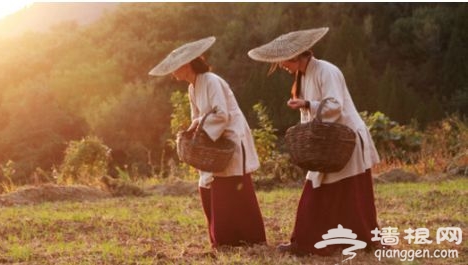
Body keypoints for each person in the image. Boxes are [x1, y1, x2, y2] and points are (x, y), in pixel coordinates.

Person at [248, 27, 381, 255]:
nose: (281, 66)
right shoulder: (304, 75)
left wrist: (308, 104)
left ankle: (349, 241)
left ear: (296, 56)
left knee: (349, 194)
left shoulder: (326, 71)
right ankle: (309, 241)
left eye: (283, 61)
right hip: (327, 143)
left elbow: (335, 106)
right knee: (323, 191)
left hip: (344, 141)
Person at [149, 36, 266, 248]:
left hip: (229, 138)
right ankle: (224, 239)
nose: (173, 73)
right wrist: (193, 129)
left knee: (233, 188)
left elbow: (221, 114)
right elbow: (198, 115)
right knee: (209, 185)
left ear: (186, 65)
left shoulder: (211, 81)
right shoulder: (192, 88)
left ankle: (248, 238)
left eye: (175, 68)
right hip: (214, 142)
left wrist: (202, 130)